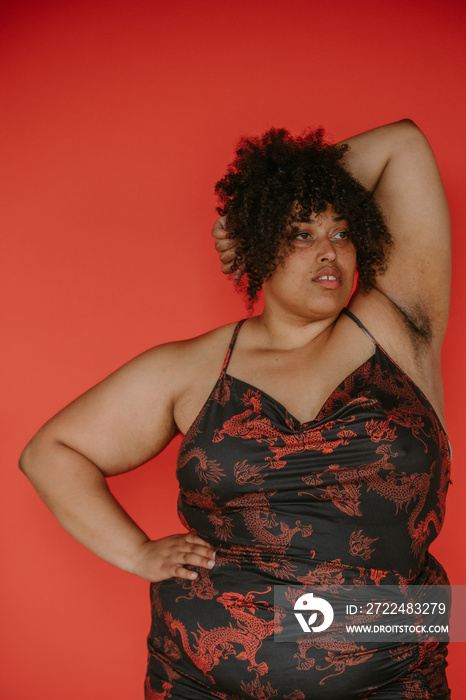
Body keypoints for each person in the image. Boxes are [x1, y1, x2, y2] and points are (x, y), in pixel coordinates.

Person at [19, 119, 451, 699]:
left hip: (395, 675)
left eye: (343, 232)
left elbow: (404, 145)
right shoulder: (192, 369)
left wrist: (268, 200)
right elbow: (50, 452)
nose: (328, 250)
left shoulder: (399, 327)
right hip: (199, 679)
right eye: (299, 233)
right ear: (258, 245)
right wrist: (137, 552)